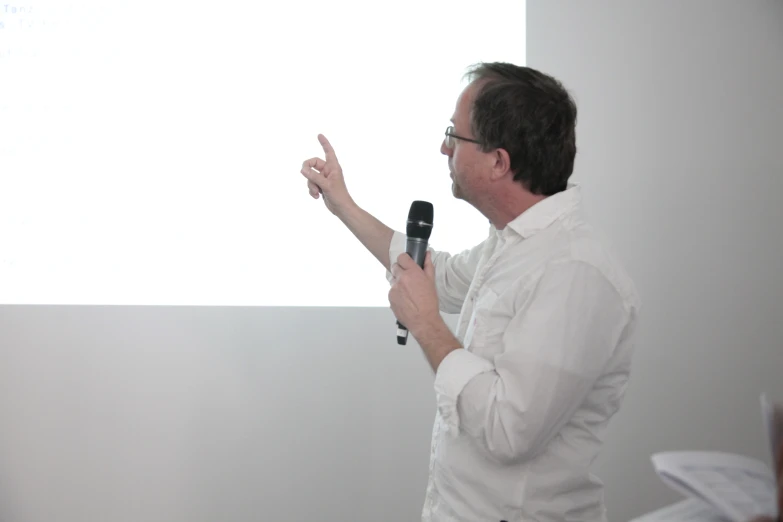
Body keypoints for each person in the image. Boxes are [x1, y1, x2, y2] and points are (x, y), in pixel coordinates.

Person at [299, 62, 640, 522]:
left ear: (498, 162)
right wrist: (344, 205)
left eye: (453, 136)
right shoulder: (512, 241)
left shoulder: (574, 271)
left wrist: (426, 325)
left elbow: (509, 430)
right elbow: (432, 276)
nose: (443, 148)